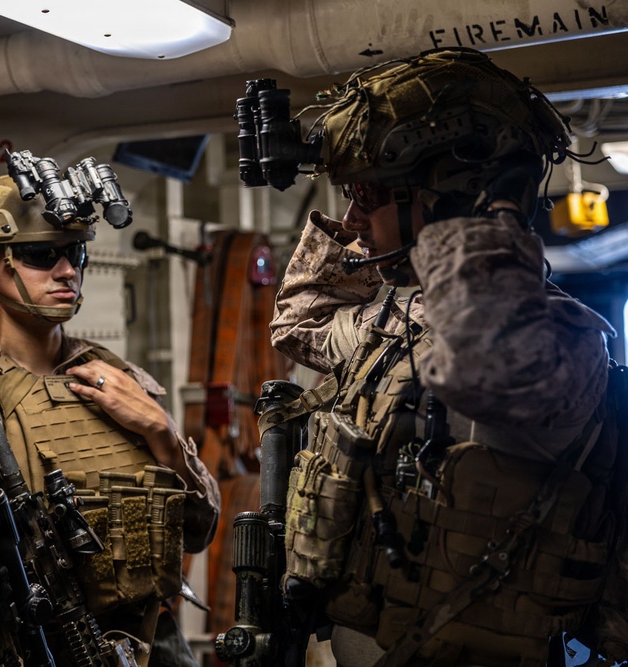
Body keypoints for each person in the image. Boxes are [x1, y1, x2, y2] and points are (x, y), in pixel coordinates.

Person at [260, 48, 627, 665]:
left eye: (367, 193)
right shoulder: (394, 322)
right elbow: (299, 325)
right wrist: (367, 227)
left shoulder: (560, 337)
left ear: (451, 197)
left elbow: (480, 367)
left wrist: (478, 219)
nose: (350, 218)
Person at [0, 161, 221, 667]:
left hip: (142, 646)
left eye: (75, 252)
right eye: (40, 254)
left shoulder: (125, 381)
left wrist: (161, 432)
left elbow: (201, 529)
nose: (67, 271)